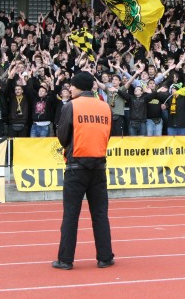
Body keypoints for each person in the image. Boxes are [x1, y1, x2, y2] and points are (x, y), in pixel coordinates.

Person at [53, 71, 114, 270]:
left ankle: (65, 259)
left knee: (71, 215)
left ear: (79, 86)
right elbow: (107, 135)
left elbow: (62, 137)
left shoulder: (71, 106)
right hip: (99, 167)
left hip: (76, 168)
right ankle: (105, 257)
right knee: (100, 215)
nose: (69, 89)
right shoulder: (105, 107)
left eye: (71, 85)